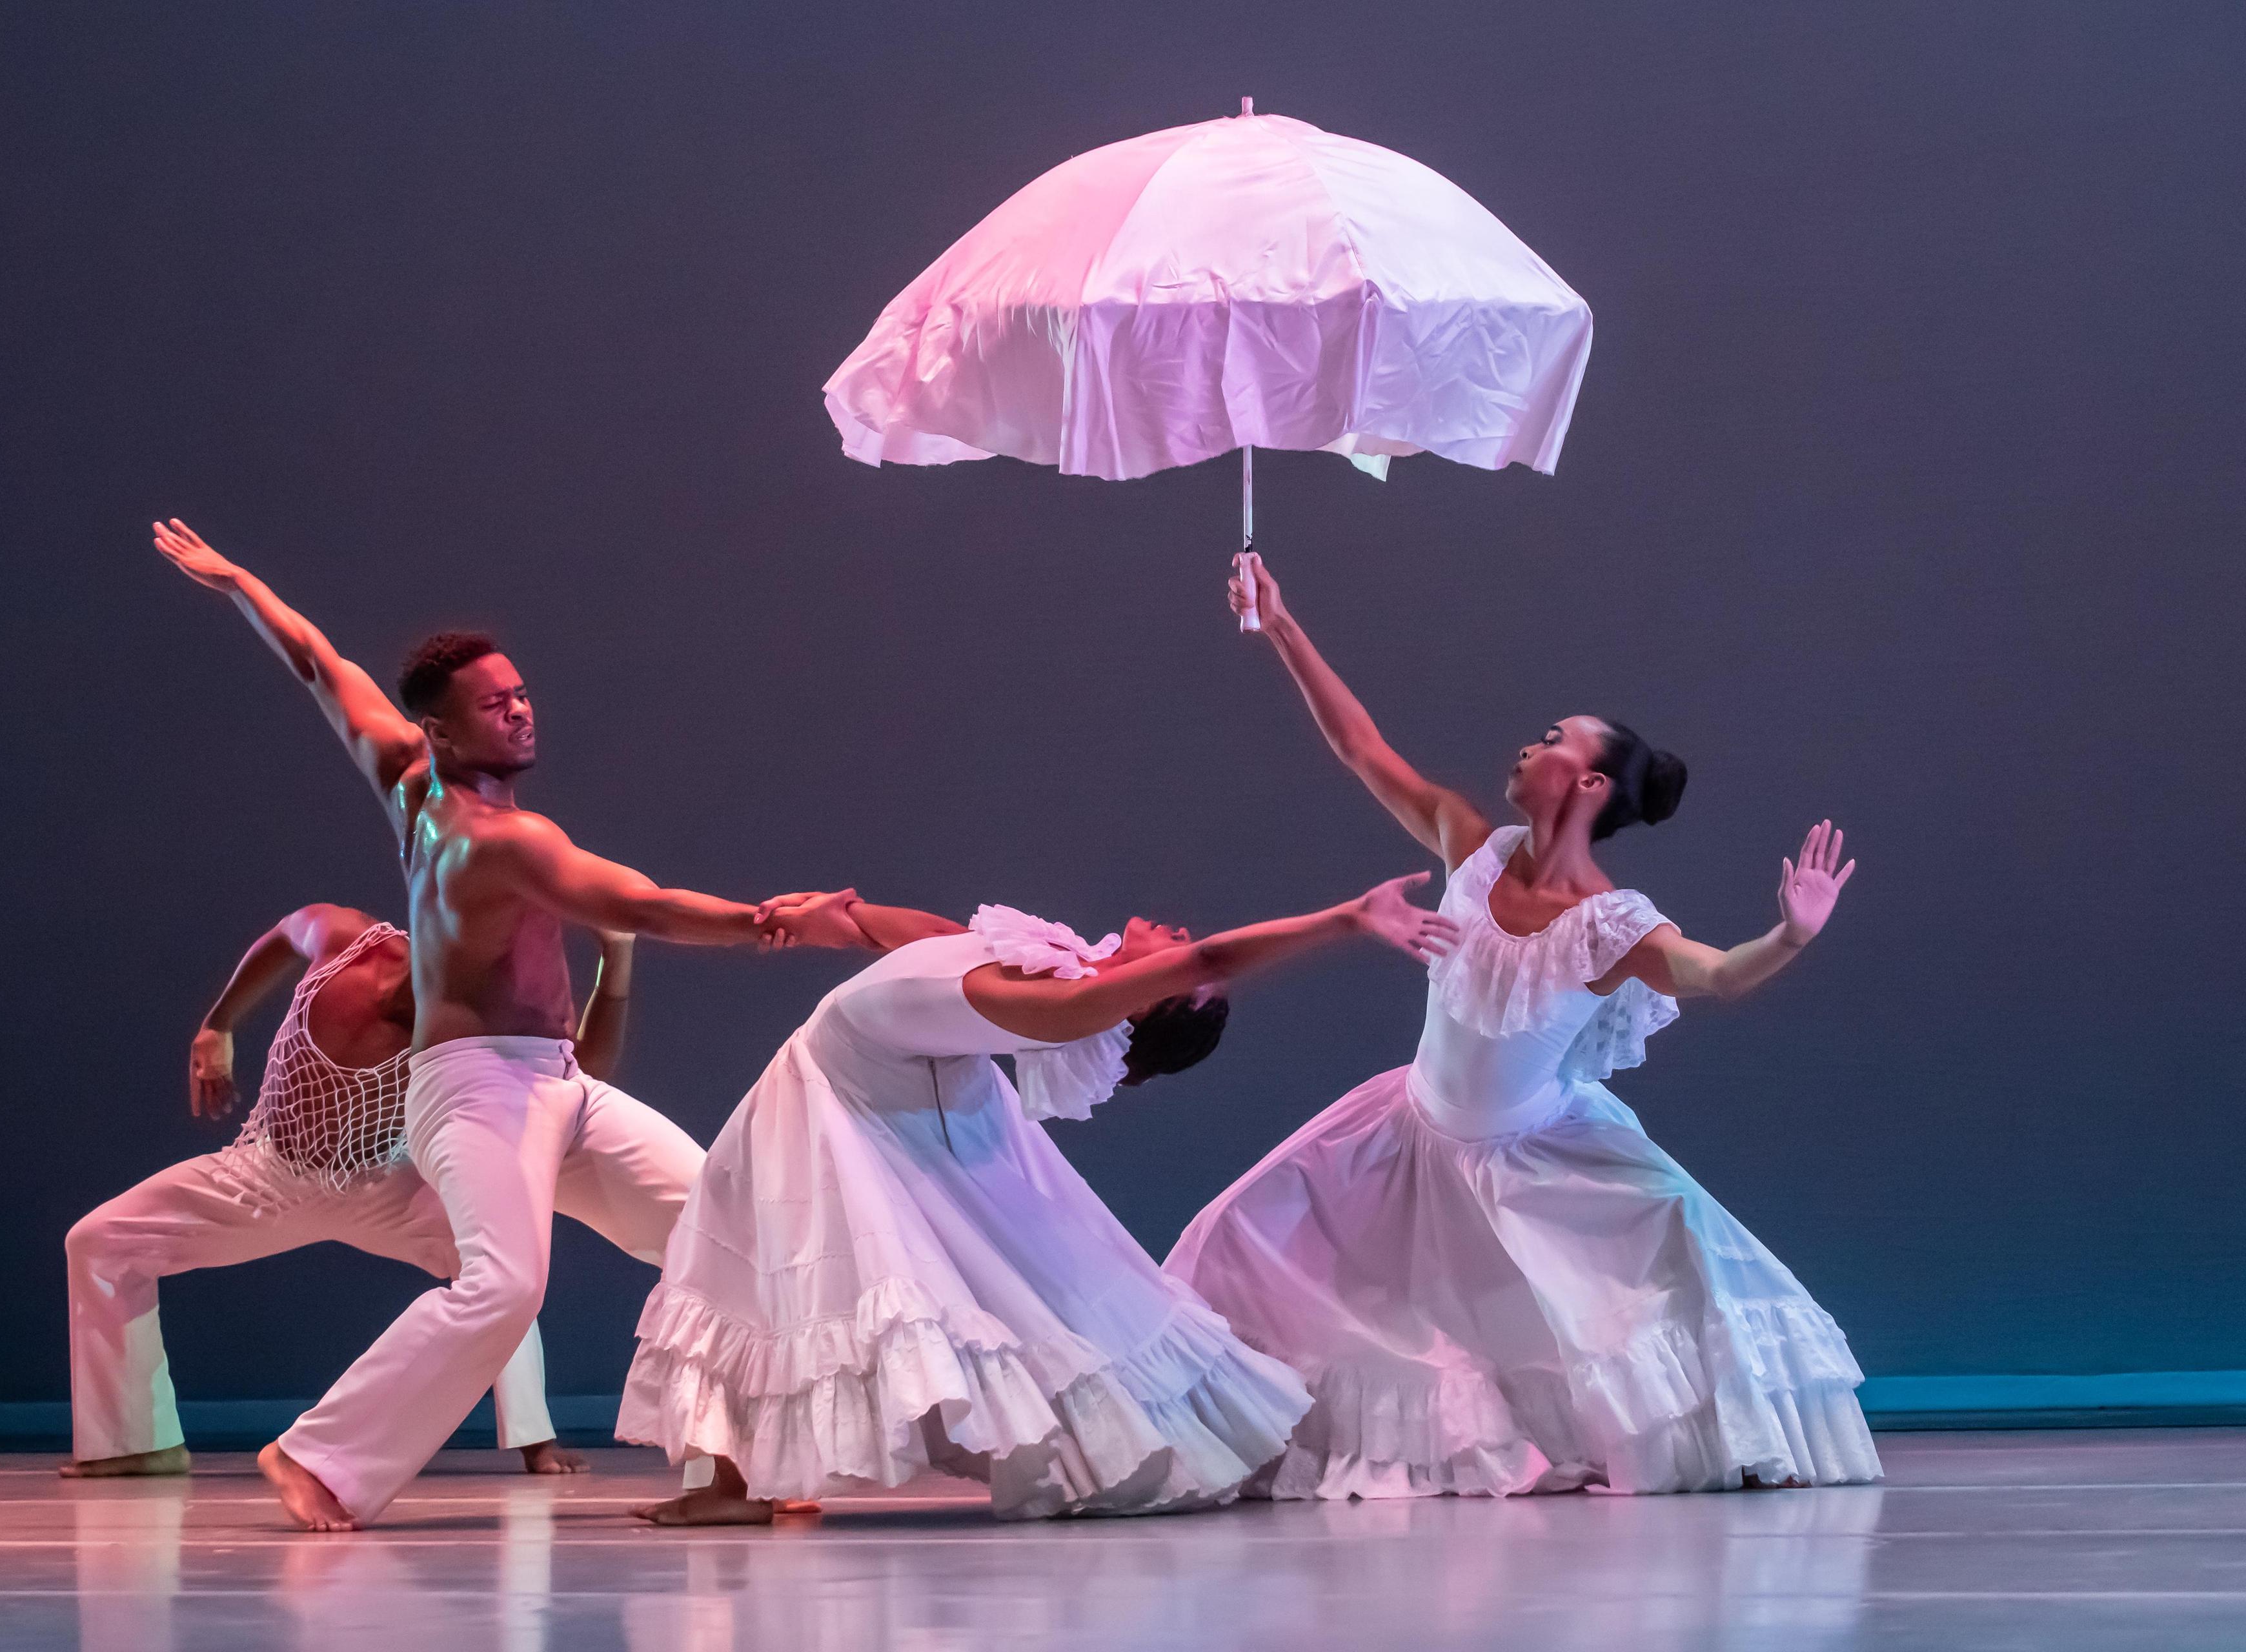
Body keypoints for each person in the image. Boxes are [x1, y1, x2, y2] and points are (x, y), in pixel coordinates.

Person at [152, 519, 856, 1530]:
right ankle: (318, 1457)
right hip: (476, 1087)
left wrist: (239, 584)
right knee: (504, 1283)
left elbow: (317, 659)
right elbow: (644, 905)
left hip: (553, 1082)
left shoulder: (407, 779)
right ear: (443, 730)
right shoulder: (505, 841)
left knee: (718, 1225)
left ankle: (731, 1465)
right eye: (496, 705)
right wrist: (765, 923)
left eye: (522, 693)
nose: (523, 712)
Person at [1164, 556, 1881, 1498]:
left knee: (1646, 1264)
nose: (1528, 746)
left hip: (1531, 1162)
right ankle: (1211, 1436)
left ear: (1587, 786)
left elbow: (1715, 975)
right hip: (1405, 1136)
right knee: (1232, 1236)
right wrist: (1284, 626)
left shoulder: (1613, 925)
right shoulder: (1473, 846)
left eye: (1554, 740)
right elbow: (1362, 751)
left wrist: (1789, 934)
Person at [616, 876, 1461, 1524]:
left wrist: (1345, 921)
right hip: (844, 1093)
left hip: (840, 1104)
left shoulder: (1057, 1005)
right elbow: (935, 944)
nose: (1184, 937)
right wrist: (840, 916)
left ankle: (737, 1481)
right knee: (743, 1268)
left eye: (1180, 967)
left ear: (1152, 996)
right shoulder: (1047, 958)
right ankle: (738, 1478)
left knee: (754, 1267)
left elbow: (1208, 961)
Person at [63, 906, 637, 1478]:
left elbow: (583, 1071)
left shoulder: (474, 1020)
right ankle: (136, 1443)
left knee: (497, 1261)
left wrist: (615, 961)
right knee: (99, 1243)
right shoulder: (343, 939)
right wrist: (220, 1023)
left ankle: (535, 1439)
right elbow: (283, 936)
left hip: (384, 1186)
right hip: (267, 1176)